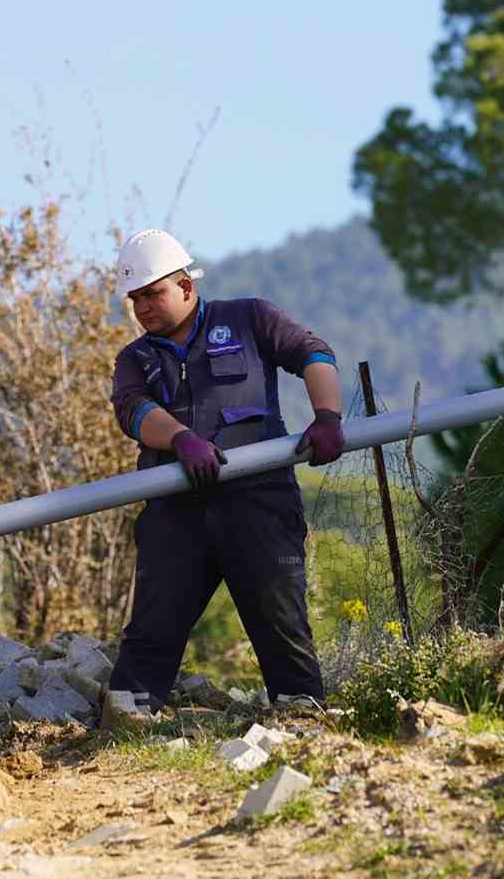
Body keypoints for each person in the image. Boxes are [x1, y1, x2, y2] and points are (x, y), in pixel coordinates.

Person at [107, 228, 346, 713]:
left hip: (260, 503)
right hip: (176, 511)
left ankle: (302, 717)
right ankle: (125, 725)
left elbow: (314, 354)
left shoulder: (249, 318)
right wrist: (179, 439)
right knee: (154, 625)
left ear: (186, 287)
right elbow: (132, 411)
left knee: (281, 618)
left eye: (154, 293)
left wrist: (327, 416)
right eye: (136, 299)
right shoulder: (134, 359)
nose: (145, 308)